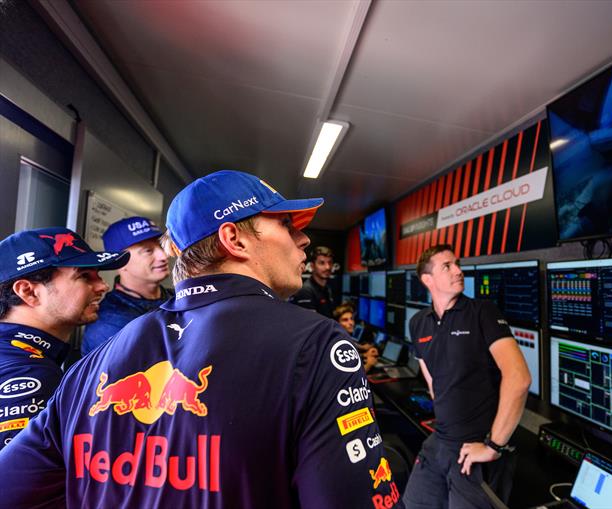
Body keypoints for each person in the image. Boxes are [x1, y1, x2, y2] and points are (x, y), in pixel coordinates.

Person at [0, 170, 403, 509]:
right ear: (235, 239)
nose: (304, 240)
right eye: (285, 225)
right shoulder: (316, 343)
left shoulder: (91, 365)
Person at [403, 244, 531, 509]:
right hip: (440, 440)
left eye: (457, 264)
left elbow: (518, 378)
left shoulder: (482, 312)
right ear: (427, 279)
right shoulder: (418, 323)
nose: (458, 271)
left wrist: (493, 445)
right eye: (447, 266)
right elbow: (432, 381)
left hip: (476, 446)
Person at [0, 227, 128, 450]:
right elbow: (23, 482)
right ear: (29, 292)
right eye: (83, 276)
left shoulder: (20, 356)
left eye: (98, 274)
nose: (102, 286)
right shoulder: (28, 374)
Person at [82, 216, 172, 355]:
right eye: (148, 251)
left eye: (161, 246)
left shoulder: (177, 297)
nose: (163, 256)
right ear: (121, 262)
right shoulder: (109, 323)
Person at [291, 245, 336, 317]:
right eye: (322, 263)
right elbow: (311, 323)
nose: (327, 267)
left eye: (330, 262)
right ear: (312, 266)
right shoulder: (305, 290)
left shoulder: (327, 288)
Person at [334, 303, 378, 373]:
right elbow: (351, 376)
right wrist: (368, 365)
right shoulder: (339, 344)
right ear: (337, 323)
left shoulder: (343, 338)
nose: (351, 322)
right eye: (345, 320)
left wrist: (364, 355)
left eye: (351, 319)